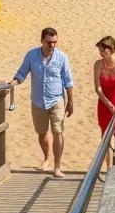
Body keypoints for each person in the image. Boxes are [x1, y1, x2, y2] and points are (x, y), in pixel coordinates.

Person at [11, 27, 74, 178]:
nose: (52, 45)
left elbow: (68, 81)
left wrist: (71, 101)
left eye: (55, 42)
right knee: (41, 131)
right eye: (49, 42)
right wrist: (14, 82)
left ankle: (57, 166)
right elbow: (22, 73)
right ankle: (46, 158)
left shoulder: (62, 57)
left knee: (58, 131)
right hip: (38, 100)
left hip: (56, 99)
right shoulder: (31, 55)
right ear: (42, 41)